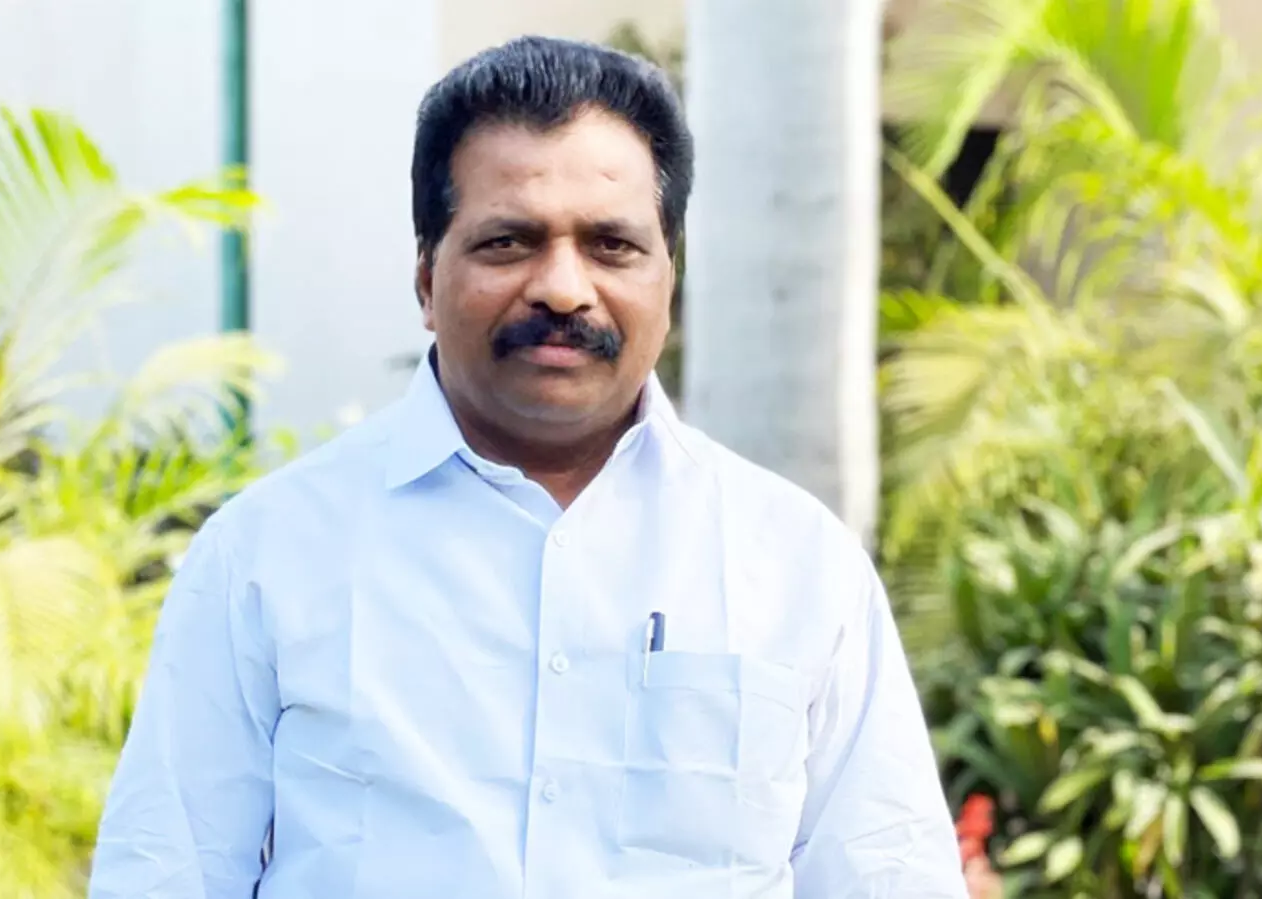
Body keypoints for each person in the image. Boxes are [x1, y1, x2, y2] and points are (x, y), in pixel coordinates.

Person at [87, 35, 968, 899]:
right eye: (509, 242)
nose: (563, 288)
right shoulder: (268, 554)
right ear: (426, 277)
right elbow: (165, 873)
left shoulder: (796, 563)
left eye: (612, 245)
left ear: (669, 276)